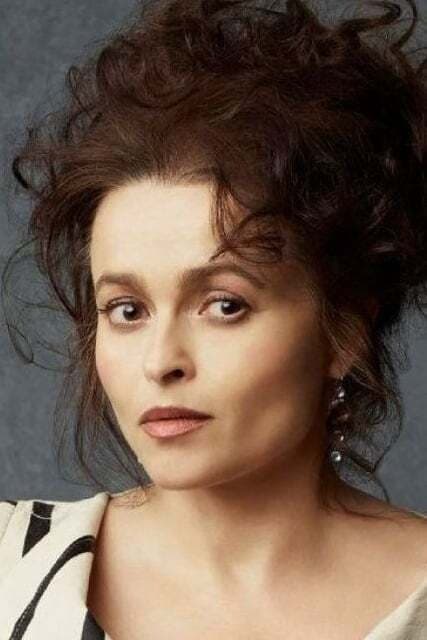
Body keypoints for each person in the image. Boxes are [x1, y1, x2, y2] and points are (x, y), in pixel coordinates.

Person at [1, 0, 427, 638]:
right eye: (127, 310)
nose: (161, 361)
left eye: (225, 305)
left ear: (345, 330)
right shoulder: (9, 567)